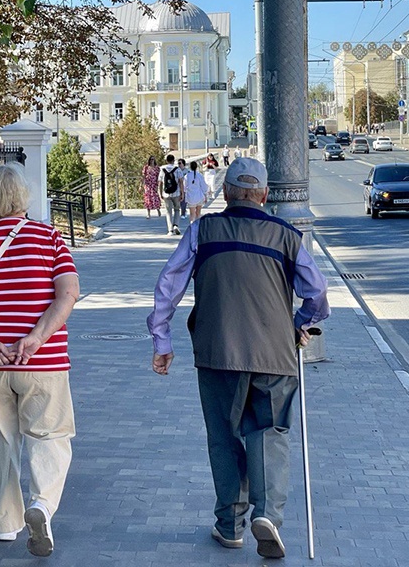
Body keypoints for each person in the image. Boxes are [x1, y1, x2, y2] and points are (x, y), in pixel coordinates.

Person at [146, 157, 330, 559]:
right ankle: (268, 516)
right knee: (269, 433)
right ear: (264, 195)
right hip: (275, 353)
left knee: (225, 437)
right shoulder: (287, 235)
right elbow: (317, 295)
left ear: (225, 194)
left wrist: (162, 341)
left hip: (217, 352)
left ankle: (230, 525)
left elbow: (168, 286)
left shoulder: (202, 231)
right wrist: (298, 322)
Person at [0, 163, 79, 558]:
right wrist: (37, 337)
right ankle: (41, 505)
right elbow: (68, 293)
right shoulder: (50, 238)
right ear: (24, 196)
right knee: (50, 436)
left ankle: (7, 524)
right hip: (43, 361)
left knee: (1, 442)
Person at [158, 154, 183, 235]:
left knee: (168, 211)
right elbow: (181, 182)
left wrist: (160, 192)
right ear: (173, 160)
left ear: (166, 160)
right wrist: (182, 193)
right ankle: (176, 225)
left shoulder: (162, 169)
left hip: (166, 193)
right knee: (177, 209)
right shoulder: (177, 169)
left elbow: (160, 182)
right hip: (176, 192)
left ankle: (170, 230)